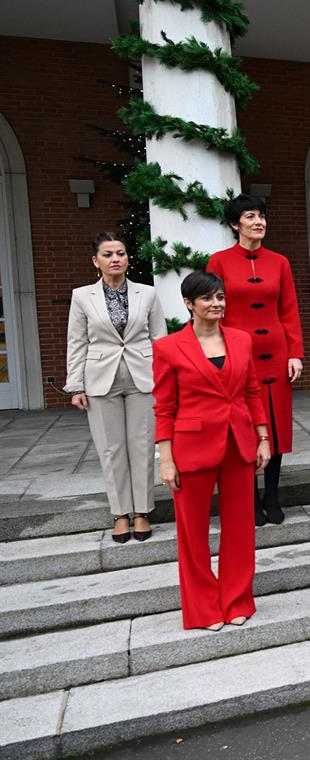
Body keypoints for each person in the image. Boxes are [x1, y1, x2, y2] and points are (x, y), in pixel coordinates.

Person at [152, 271, 270, 630]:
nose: (216, 304)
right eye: (207, 299)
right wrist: (166, 460)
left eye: (220, 297)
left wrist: (263, 436)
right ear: (189, 304)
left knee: (240, 529)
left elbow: (251, 390)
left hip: (238, 443)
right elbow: (164, 408)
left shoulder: (240, 340)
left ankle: (236, 600)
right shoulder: (168, 347)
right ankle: (203, 608)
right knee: (192, 535)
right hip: (190, 448)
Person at [207, 194, 304, 526]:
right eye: (250, 216)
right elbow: (213, 310)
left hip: (275, 356)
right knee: (244, 425)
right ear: (236, 224)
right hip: (237, 355)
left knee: (275, 425)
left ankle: (272, 495)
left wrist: (295, 353)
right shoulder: (218, 262)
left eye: (261, 215)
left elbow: (289, 310)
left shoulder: (279, 262)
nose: (258, 221)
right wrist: (218, 354)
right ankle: (249, 499)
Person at [65, 233, 167, 543]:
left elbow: (160, 339)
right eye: (108, 254)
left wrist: (165, 379)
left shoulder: (147, 294)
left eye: (120, 253)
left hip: (143, 378)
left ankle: (142, 513)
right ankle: (120, 514)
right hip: (99, 380)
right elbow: (77, 341)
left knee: (142, 445)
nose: (115, 259)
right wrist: (75, 385)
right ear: (96, 261)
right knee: (110, 449)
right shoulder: (82, 296)